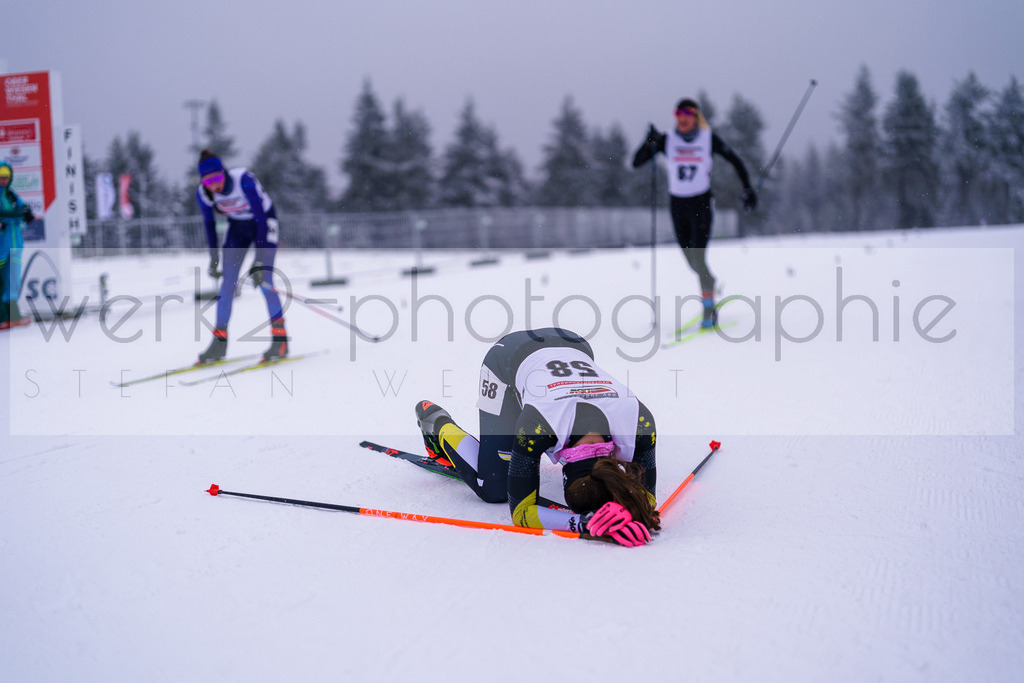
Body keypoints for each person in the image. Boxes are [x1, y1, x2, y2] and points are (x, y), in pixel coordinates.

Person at [415, 328, 660, 547]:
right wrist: (586, 522)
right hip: (507, 359)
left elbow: (646, 495)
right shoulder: (537, 428)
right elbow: (521, 513)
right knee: (493, 488)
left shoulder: (641, 422)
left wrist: (625, 507)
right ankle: (436, 423)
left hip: (572, 343)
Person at [632, 98, 757, 328]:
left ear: (696, 116)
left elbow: (735, 161)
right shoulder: (667, 140)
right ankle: (709, 281)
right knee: (692, 262)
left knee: (698, 257)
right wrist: (648, 142)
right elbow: (637, 162)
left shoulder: (708, 139)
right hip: (677, 206)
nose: (682, 117)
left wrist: (748, 189)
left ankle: (709, 309)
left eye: (688, 113)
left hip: (701, 204)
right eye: (678, 112)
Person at [194, 149, 287, 364]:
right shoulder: (203, 194)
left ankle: (280, 340)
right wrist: (213, 256)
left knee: (265, 280)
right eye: (209, 182)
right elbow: (209, 226)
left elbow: (262, 218)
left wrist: (260, 259)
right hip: (238, 227)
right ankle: (219, 342)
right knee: (228, 283)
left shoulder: (243, 180)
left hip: (263, 224)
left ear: (224, 172)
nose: (214, 185)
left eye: (217, 178)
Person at [0, 162, 34, 329]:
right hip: (1, 247)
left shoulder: (11, 195)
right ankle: (2, 316)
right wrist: (18, 215)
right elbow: (5, 215)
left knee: (12, 280)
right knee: (1, 282)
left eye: (6, 177)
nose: (3, 180)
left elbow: (23, 209)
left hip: (14, 245)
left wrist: (25, 212)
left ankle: (13, 315)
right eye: (1, 177)